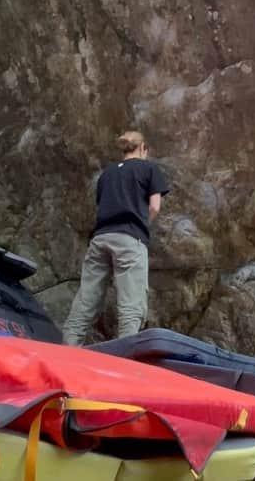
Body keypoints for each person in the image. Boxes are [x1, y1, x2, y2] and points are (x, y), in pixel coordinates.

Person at [63, 130, 169, 346]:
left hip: (100, 239)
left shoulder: (107, 174)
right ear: (143, 148)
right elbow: (155, 207)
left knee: (86, 300)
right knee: (131, 305)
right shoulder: (149, 168)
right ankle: (125, 363)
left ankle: (67, 351)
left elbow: (102, 205)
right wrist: (142, 223)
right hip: (130, 238)